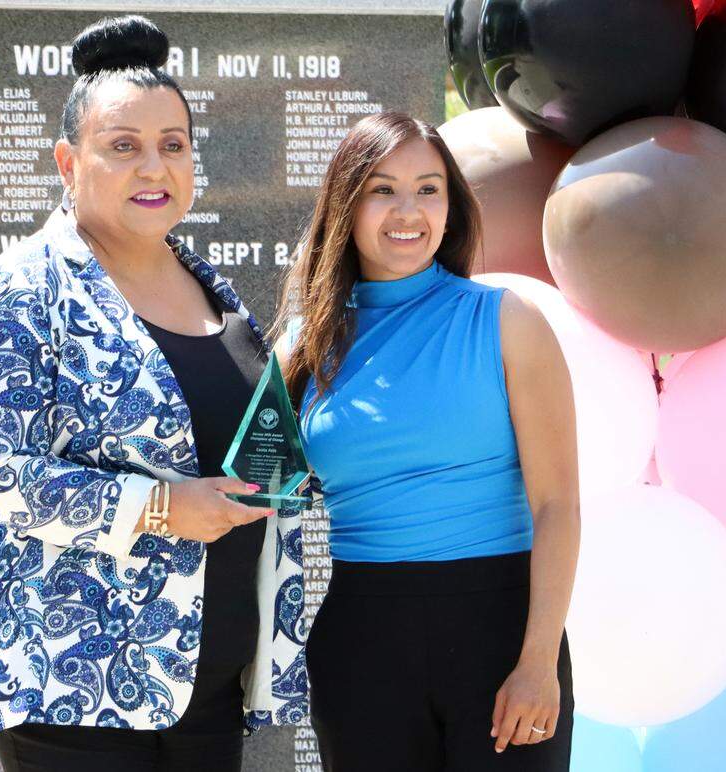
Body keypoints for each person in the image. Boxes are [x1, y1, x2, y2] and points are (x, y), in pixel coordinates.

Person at [0, 16, 307, 771]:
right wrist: (167, 509)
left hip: (205, 689)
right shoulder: (18, 287)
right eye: (123, 146)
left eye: (173, 145)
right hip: (73, 686)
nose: (153, 167)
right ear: (69, 162)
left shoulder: (215, 293)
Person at [275, 111, 579, 771]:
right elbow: (257, 493)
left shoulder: (506, 321)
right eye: (382, 189)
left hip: (503, 637)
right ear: (346, 205)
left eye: (429, 188)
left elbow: (557, 504)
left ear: (450, 206)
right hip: (363, 642)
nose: (407, 210)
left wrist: (537, 660)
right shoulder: (304, 349)